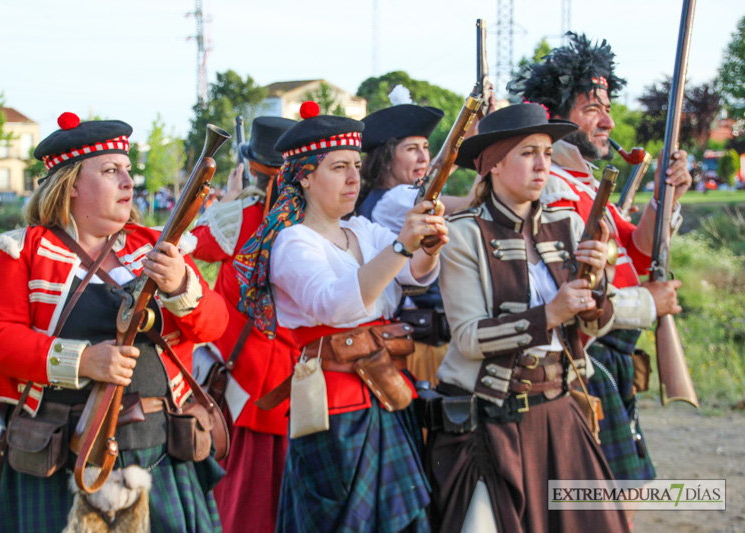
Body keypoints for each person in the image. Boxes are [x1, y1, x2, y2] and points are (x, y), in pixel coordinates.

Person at [0, 112, 229, 532]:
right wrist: (82, 360)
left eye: (128, 170)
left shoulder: (156, 245)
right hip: (60, 451)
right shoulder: (22, 252)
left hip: (158, 446)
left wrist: (181, 283)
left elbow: (214, 326)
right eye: (111, 171)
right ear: (71, 184)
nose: (129, 182)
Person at [234, 101, 448, 532]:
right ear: (306, 176)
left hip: (388, 391)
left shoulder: (363, 231)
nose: (354, 178)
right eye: (338, 168)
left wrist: (428, 246)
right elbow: (337, 304)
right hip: (333, 410)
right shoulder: (292, 242)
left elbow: (414, 275)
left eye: (356, 165)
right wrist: (404, 247)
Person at [427, 103, 629, 532]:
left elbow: (595, 324)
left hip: (561, 412)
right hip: (491, 424)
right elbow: (467, 338)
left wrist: (596, 288)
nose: (543, 166)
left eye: (548, 154)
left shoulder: (570, 225)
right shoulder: (465, 235)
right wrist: (549, 314)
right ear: (494, 166)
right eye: (528, 153)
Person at [509, 33, 692, 488]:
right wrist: (650, 303)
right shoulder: (549, 188)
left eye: (607, 107)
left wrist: (667, 198)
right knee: (605, 501)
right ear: (555, 119)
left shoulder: (585, 183)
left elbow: (639, 249)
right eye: (592, 108)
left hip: (612, 351)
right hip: (586, 353)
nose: (607, 120)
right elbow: (576, 293)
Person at [190, 116, 299, 533]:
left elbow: (187, 244)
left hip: (243, 385)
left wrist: (227, 203)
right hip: (297, 381)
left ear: (251, 167)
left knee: (241, 508)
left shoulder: (240, 216)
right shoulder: (310, 217)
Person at [356, 86, 453, 388]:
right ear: (386, 158)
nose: (424, 157)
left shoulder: (381, 196)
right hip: (420, 343)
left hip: (411, 337)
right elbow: (472, 204)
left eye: (425, 147)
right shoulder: (399, 197)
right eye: (412, 149)